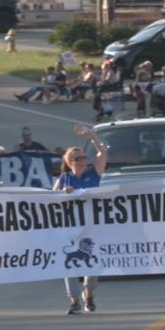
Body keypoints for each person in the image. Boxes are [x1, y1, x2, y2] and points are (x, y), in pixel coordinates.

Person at [52, 124, 108, 315]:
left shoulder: (94, 173)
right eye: (79, 158)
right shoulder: (65, 178)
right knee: (69, 264)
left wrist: (91, 136)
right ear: (70, 162)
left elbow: (103, 153)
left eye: (85, 157)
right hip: (69, 226)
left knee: (92, 263)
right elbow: (52, 199)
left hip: (91, 226)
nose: (84, 160)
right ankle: (74, 300)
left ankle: (89, 294)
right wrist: (63, 194)